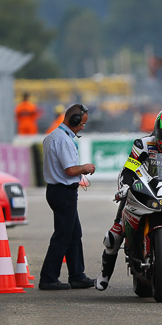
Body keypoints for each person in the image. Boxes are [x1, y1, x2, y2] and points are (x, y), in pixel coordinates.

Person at [96, 108, 162, 291]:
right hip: (144, 186)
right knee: (113, 237)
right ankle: (105, 274)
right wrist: (124, 187)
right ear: (157, 131)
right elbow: (129, 169)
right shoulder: (143, 144)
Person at [39, 104, 95, 290]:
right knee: (63, 236)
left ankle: (77, 275)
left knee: (73, 233)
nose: (82, 127)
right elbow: (70, 169)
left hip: (58, 191)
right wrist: (86, 167)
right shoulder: (63, 140)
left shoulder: (53, 136)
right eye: (82, 124)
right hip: (63, 192)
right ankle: (48, 277)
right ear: (74, 120)